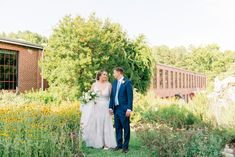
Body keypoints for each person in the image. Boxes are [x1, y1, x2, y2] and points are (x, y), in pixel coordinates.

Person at [80, 70, 116, 149]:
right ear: (99, 75)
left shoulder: (109, 85)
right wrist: (87, 100)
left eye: (106, 75)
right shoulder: (94, 84)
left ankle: (107, 143)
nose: (105, 76)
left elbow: (112, 97)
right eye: (104, 74)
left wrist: (111, 108)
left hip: (106, 107)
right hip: (96, 107)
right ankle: (98, 142)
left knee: (106, 123)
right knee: (97, 123)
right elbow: (90, 96)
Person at [109, 67, 133, 153]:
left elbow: (130, 97)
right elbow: (112, 96)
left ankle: (125, 147)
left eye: (114, 72)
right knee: (118, 127)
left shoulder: (127, 82)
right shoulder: (114, 83)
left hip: (124, 109)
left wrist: (129, 109)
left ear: (119, 72)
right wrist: (111, 107)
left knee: (126, 128)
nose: (113, 74)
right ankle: (119, 145)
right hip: (116, 109)